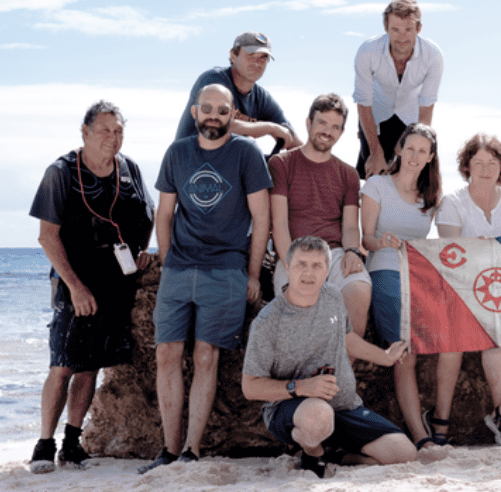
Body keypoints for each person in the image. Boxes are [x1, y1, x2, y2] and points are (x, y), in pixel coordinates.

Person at [139, 84, 273, 473]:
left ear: (234, 114)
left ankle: (191, 450)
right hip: (179, 267)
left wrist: (251, 273)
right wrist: (166, 264)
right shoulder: (178, 153)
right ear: (195, 111)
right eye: (207, 109)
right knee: (166, 354)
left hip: (226, 268)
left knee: (205, 355)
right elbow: (164, 214)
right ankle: (167, 448)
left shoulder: (247, 155)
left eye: (222, 109)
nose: (214, 116)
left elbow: (261, 218)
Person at [27, 101, 154, 473]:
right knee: (63, 364)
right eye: (104, 131)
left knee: (90, 367)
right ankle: (44, 444)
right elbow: (47, 237)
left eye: (118, 131)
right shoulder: (61, 172)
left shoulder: (130, 169)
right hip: (75, 282)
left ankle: (72, 442)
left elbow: (145, 215)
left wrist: (142, 250)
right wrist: (76, 287)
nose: (112, 138)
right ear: (84, 132)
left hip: (117, 282)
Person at [242, 236, 416, 478]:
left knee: (404, 453)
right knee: (318, 416)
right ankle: (312, 453)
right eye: (301, 264)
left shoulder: (333, 296)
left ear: (327, 270)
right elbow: (250, 387)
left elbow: (348, 338)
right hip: (295, 410)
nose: (308, 273)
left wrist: (385, 357)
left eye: (317, 266)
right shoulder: (268, 322)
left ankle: (334, 454)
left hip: (344, 406)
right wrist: (302, 387)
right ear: (288, 268)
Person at [434, 134, 501, 448]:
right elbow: (448, 254)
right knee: (498, 341)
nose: (485, 169)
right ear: (466, 166)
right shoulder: (452, 202)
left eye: (492, 163)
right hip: (466, 288)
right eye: (477, 162)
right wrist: (478, 253)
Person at [360, 123, 451, 449]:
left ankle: (441, 421)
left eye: (422, 151)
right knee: (405, 352)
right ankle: (421, 435)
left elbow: (446, 242)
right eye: (409, 148)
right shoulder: (377, 186)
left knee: (452, 335)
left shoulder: (432, 197)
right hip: (385, 271)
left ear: (430, 157)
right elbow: (364, 239)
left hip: (420, 277)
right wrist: (380, 241)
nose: (415, 156)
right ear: (399, 149)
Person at [268, 94, 370, 336]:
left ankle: (344, 371)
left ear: (342, 132)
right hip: (294, 251)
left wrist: (352, 251)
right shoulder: (281, 164)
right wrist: (292, 263)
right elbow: (280, 223)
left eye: (335, 127)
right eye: (322, 123)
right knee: (299, 309)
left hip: (333, 253)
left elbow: (350, 227)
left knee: (359, 289)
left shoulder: (348, 174)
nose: (327, 131)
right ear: (308, 123)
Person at [353, 0, 444, 179]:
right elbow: (363, 103)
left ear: (418, 28)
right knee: (375, 175)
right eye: (395, 29)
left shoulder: (433, 56)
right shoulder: (367, 51)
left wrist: (416, 149)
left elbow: (426, 108)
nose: (402, 37)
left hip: (411, 118)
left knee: (409, 178)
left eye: (408, 29)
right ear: (386, 28)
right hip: (374, 116)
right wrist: (375, 151)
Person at [174, 31, 302, 152]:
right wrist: (271, 128)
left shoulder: (261, 98)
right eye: (251, 56)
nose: (257, 63)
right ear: (233, 56)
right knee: (248, 144)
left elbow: (291, 137)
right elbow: (220, 124)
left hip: (224, 165)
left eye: (263, 58)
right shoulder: (214, 81)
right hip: (189, 163)